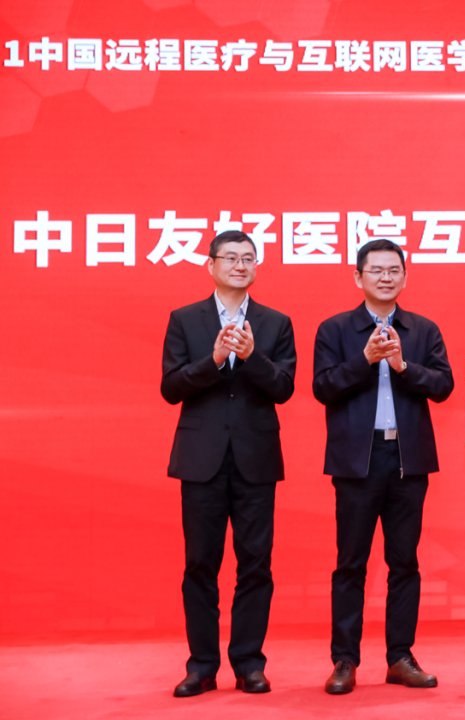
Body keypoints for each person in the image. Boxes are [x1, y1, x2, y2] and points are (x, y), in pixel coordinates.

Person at [314, 239, 454, 695]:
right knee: (350, 564)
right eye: (376, 270)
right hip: (357, 461)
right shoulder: (335, 329)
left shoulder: (423, 330)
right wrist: (365, 360)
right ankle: (344, 661)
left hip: (407, 460)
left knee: (404, 563)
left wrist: (402, 365)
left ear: (405, 277)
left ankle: (400, 657)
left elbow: (443, 386)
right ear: (358, 277)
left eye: (394, 270)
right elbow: (323, 387)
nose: (385, 277)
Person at [161, 230, 297, 697]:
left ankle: (249, 664)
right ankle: (201, 665)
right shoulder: (185, 319)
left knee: (255, 564)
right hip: (201, 460)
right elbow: (171, 387)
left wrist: (251, 357)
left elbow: (284, 388)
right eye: (231, 258)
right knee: (200, 563)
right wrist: (216, 359)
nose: (241, 265)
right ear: (211, 265)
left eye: (249, 258)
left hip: (256, 459)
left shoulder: (276, 323)